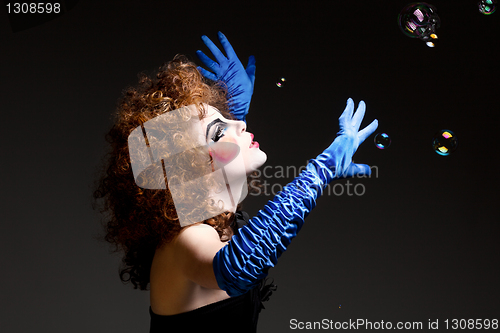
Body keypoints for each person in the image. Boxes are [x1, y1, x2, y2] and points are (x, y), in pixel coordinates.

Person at [93, 32, 378, 332]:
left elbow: (210, 168)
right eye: (220, 130)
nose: (242, 123)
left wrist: (228, 117)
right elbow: (237, 267)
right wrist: (320, 170)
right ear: (192, 172)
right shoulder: (185, 242)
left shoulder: (212, 222)